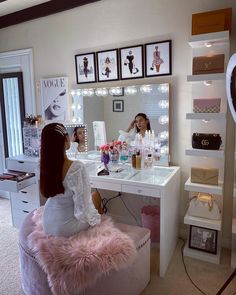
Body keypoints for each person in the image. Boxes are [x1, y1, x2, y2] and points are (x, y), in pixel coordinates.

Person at [40, 123, 102, 237]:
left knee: (92, 199)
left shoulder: (44, 165)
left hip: (48, 221)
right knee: (96, 197)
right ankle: (100, 233)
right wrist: (93, 215)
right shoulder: (76, 168)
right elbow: (82, 208)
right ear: (65, 140)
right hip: (65, 227)